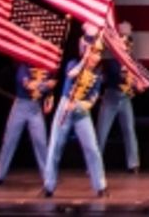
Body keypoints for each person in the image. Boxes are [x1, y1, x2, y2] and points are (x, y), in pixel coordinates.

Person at [42, 26, 108, 198]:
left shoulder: (98, 74)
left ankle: (100, 185)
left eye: (98, 54)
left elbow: (93, 98)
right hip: (65, 107)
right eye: (93, 53)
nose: (96, 57)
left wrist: (78, 107)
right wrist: (83, 60)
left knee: (92, 148)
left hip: (81, 111)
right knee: (56, 146)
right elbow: (71, 74)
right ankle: (49, 185)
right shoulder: (74, 64)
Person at [0, 62, 56, 185]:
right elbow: (28, 85)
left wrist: (49, 98)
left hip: (35, 108)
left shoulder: (46, 69)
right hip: (20, 106)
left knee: (41, 142)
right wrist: (45, 85)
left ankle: (47, 176)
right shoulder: (24, 67)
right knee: (9, 140)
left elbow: (50, 89)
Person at [96, 22, 140, 174]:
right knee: (102, 131)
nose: (127, 41)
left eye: (129, 38)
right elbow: (113, 76)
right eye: (125, 38)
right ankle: (95, 163)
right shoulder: (111, 55)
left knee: (129, 129)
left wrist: (135, 82)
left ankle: (133, 163)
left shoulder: (131, 58)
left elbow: (135, 77)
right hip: (111, 97)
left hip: (124, 98)